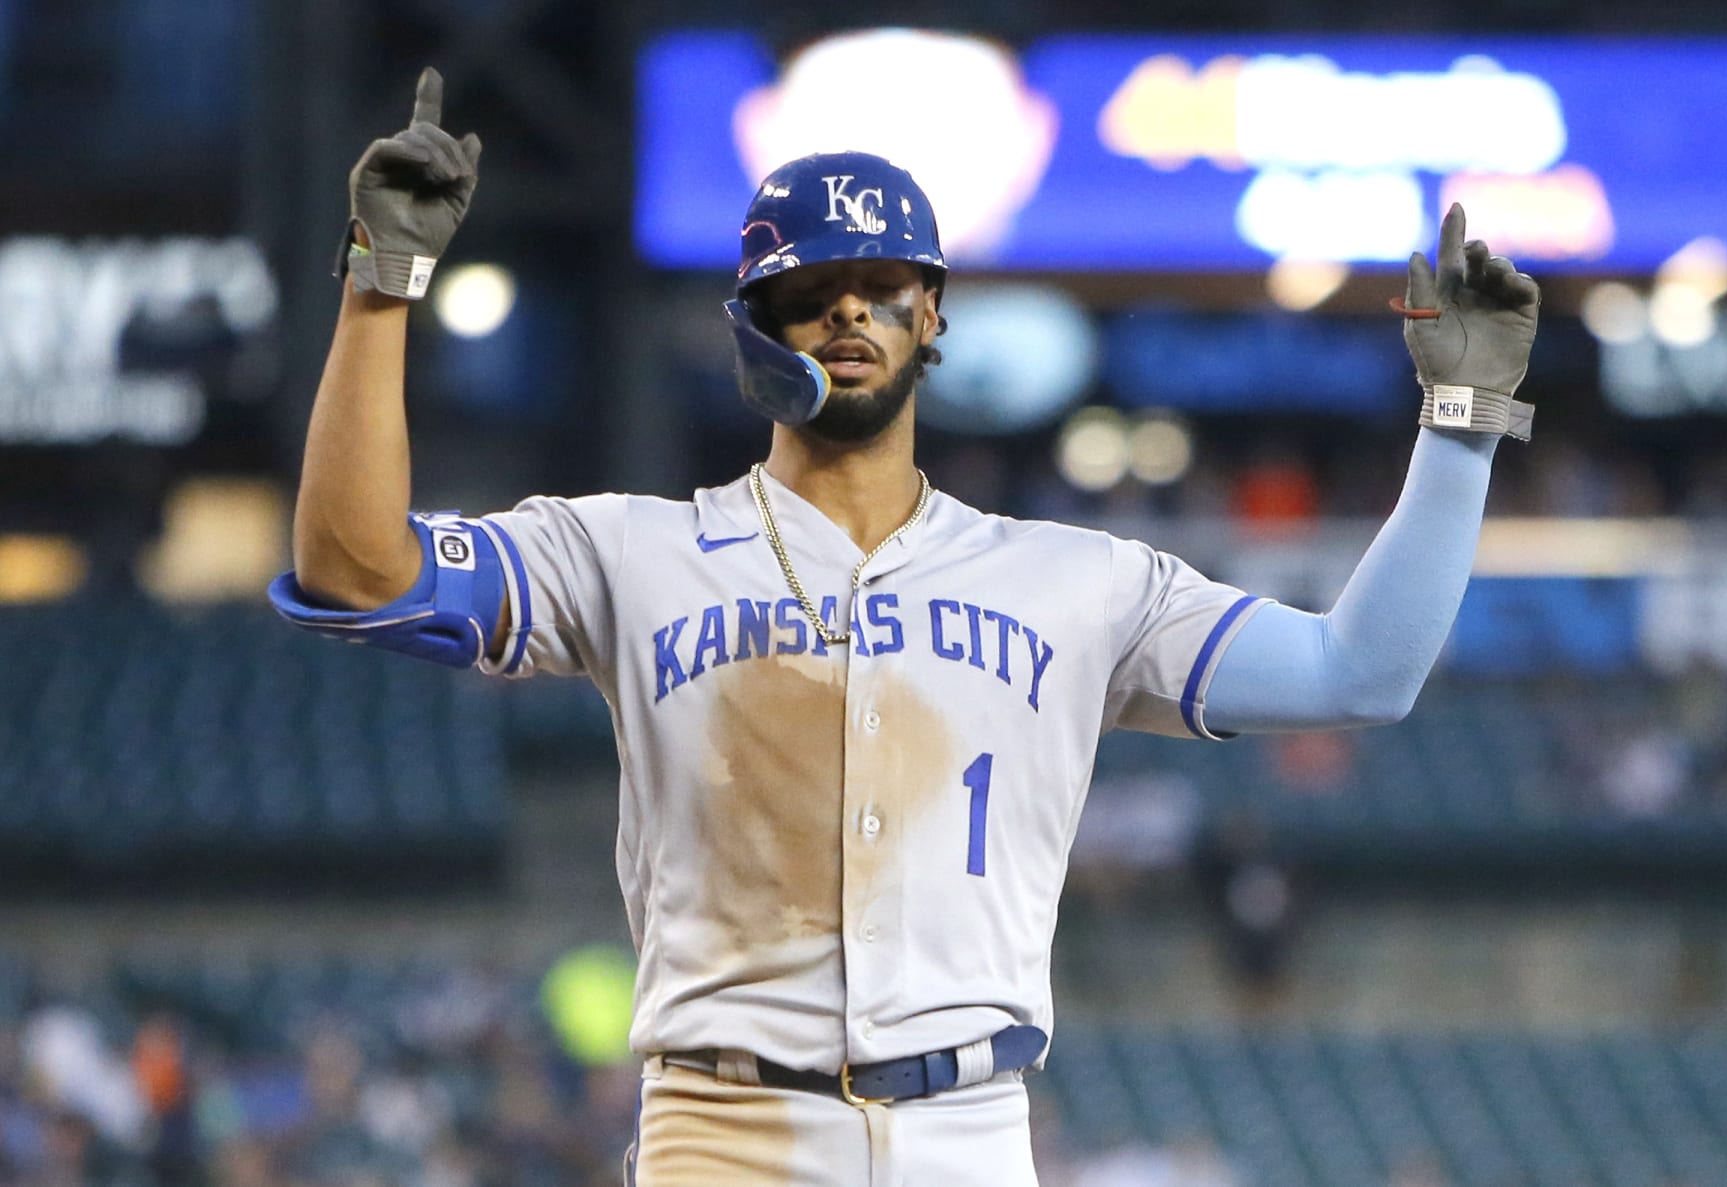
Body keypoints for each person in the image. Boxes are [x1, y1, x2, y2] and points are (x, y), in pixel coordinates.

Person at [270, 69, 1539, 1186]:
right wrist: (385, 284)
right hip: (725, 1129)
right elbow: (351, 566)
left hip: (973, 1134)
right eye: (812, 288)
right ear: (751, 326)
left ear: (933, 315)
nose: (849, 313)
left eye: (883, 286)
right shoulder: (629, 548)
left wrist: (1465, 423)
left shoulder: (1075, 579)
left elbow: (1361, 669)